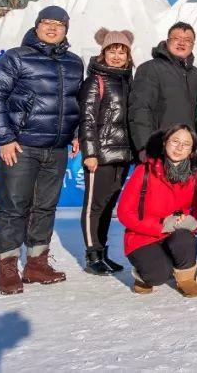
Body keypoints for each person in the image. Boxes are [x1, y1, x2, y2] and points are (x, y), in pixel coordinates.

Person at [0, 6, 84, 295]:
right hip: (21, 146)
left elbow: (76, 102)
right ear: (36, 26)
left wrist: (75, 133)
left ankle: (37, 264)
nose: (52, 28)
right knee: (14, 206)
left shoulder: (74, 63)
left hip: (57, 148)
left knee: (45, 207)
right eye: (46, 23)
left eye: (58, 24)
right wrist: (4, 138)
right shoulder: (16, 57)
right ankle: (8, 265)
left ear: (66, 29)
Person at [116, 124, 197, 296]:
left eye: (186, 144)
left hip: (176, 234)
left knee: (185, 237)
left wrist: (193, 221)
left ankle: (185, 278)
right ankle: (143, 274)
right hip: (143, 237)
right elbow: (124, 213)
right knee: (158, 276)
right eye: (175, 141)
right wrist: (160, 226)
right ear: (164, 143)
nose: (179, 148)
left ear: (192, 150)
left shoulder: (196, 176)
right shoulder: (144, 171)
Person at [78, 27, 137, 276]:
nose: (116, 56)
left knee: (107, 205)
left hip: (122, 154)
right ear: (103, 53)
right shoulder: (96, 80)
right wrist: (89, 152)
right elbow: (87, 119)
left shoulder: (128, 80)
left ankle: (103, 253)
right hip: (100, 153)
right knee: (93, 205)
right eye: (111, 51)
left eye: (121, 52)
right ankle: (92, 255)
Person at [129, 21, 197, 161]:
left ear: (193, 45)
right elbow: (140, 109)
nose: (182, 43)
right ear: (167, 40)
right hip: (160, 150)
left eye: (187, 40)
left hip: (189, 151)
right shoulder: (150, 69)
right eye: (177, 38)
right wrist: (145, 146)